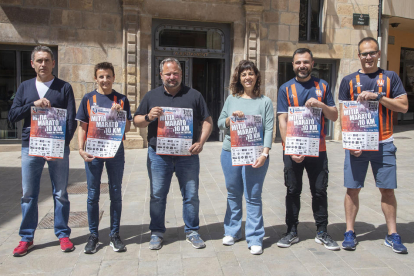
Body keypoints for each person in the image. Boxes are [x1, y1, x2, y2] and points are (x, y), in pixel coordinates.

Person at [338, 37, 409, 253]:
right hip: (358, 145)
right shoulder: (348, 81)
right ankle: (350, 232)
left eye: (372, 53)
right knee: (352, 190)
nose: (368, 57)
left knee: (387, 190)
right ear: (358, 56)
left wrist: (379, 96)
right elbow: (344, 114)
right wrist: (349, 142)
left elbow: (404, 107)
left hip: (384, 143)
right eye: (364, 53)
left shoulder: (390, 77)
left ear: (378, 54)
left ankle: (392, 234)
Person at [134, 57, 213, 250]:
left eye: (175, 73)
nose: (172, 77)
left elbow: (208, 120)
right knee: (158, 195)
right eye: (168, 73)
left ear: (181, 74)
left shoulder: (194, 95)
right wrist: (148, 117)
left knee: (191, 195)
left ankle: (192, 231)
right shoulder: (151, 96)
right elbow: (136, 121)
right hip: (159, 155)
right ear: (161, 75)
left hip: (188, 155)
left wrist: (200, 142)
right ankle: (157, 232)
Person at [8, 45, 77, 256]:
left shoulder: (64, 87)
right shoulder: (25, 87)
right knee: (29, 193)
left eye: (47, 60)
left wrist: (58, 145)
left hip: (56, 148)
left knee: (61, 192)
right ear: (32, 64)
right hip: (31, 146)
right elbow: (12, 116)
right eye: (39, 61)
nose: (43, 64)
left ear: (53, 63)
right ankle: (26, 237)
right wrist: (33, 104)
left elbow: (70, 120)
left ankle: (63, 234)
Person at [276, 48, 339, 250]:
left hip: (318, 149)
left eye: (305, 62)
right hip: (293, 150)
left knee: (319, 191)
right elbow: (282, 121)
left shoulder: (323, 85)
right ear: (292, 65)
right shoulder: (285, 88)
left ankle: (322, 231)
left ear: (312, 63)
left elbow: (334, 115)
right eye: (297, 62)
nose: (301, 66)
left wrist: (320, 104)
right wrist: (289, 148)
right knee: (293, 190)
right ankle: (291, 231)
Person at [217, 60, 273, 255]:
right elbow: (219, 124)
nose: (247, 77)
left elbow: (269, 129)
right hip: (230, 152)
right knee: (233, 193)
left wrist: (265, 153)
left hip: (256, 155)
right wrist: (230, 118)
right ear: (238, 78)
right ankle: (232, 231)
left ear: (256, 76)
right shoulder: (231, 99)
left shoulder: (265, 101)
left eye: (250, 73)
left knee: (253, 196)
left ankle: (255, 236)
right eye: (243, 74)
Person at [76, 62, 132, 254]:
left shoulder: (122, 99)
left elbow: (128, 129)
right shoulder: (88, 99)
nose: (105, 80)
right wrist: (80, 149)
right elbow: (82, 126)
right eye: (101, 76)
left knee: (116, 193)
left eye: (108, 76)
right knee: (93, 194)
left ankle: (115, 235)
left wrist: (120, 114)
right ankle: (93, 236)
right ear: (96, 78)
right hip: (94, 151)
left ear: (114, 77)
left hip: (115, 151)